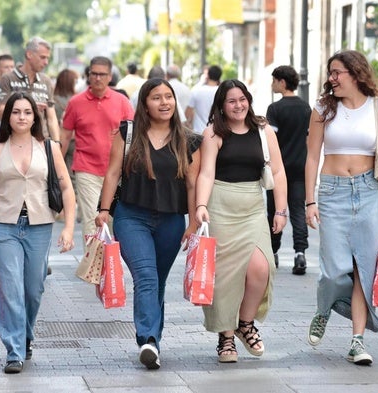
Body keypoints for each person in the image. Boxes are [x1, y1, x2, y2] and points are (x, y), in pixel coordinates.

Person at [305, 50, 378, 365]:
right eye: (330, 72)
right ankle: (324, 309)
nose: (331, 78)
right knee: (334, 269)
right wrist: (309, 200)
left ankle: (357, 340)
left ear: (355, 73)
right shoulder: (322, 108)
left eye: (337, 72)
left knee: (364, 268)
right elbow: (311, 157)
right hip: (332, 191)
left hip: (369, 192)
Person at [95, 78, 201, 369]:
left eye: (169, 97)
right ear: (144, 104)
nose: (165, 102)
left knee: (158, 281)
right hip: (131, 216)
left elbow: (192, 184)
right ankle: (148, 339)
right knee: (146, 276)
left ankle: (154, 338)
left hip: (171, 221)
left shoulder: (189, 140)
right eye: (157, 97)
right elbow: (113, 173)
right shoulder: (128, 133)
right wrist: (104, 210)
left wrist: (193, 222)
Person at [0, 92, 76, 374]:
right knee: (11, 289)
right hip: (3, 227)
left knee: (33, 289)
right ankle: (14, 350)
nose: (22, 117)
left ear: (34, 117)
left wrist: (68, 228)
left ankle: (26, 334)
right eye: (16, 112)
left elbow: (66, 188)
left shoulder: (49, 148)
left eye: (27, 112)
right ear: (8, 117)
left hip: (40, 226)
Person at [195, 79, 287, 363]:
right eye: (232, 101)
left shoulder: (264, 131)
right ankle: (225, 338)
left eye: (242, 99)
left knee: (262, 268)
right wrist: (200, 205)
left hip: (252, 207)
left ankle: (245, 324)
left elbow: (280, 172)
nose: (239, 105)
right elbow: (206, 173)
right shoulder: (213, 133)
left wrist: (280, 211)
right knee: (224, 277)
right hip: (220, 205)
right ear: (222, 106)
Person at [61, 56, 134, 245]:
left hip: (116, 171)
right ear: (88, 75)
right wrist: (57, 169)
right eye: (94, 74)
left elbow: (134, 136)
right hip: (87, 169)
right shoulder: (76, 103)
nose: (98, 78)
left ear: (110, 76)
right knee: (92, 221)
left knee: (109, 220)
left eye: (102, 74)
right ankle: (93, 273)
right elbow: (65, 136)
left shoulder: (122, 102)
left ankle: (106, 269)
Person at [266, 65, 312, 273]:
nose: (272, 84)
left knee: (275, 210)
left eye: (274, 80)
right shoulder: (305, 108)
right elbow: (309, 138)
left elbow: (270, 139)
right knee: (297, 212)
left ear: (282, 83)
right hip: (300, 167)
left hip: (278, 169)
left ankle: (274, 252)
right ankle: (300, 253)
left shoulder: (274, 109)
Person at [0, 36, 60, 142]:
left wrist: (57, 143)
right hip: (14, 142)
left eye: (47, 58)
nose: (46, 62)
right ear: (29, 54)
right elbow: (0, 113)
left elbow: (51, 118)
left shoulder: (46, 81)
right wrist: (30, 107)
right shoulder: (8, 78)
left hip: (41, 142)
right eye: (42, 57)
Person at [54, 69, 78, 187]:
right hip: (74, 140)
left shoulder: (53, 100)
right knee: (72, 174)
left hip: (57, 139)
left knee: (57, 170)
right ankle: (73, 198)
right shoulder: (76, 99)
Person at [185, 65, 222, 134]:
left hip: (198, 132)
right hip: (216, 132)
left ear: (208, 75)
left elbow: (187, 113)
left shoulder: (196, 90)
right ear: (219, 76)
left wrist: (188, 126)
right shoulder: (222, 92)